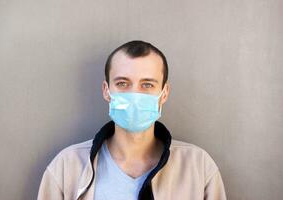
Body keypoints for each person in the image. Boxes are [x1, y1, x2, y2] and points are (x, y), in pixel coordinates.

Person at [37, 40, 227, 200]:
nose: (135, 94)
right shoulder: (66, 167)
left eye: (147, 84)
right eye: (122, 83)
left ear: (164, 93)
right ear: (106, 90)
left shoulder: (198, 167)